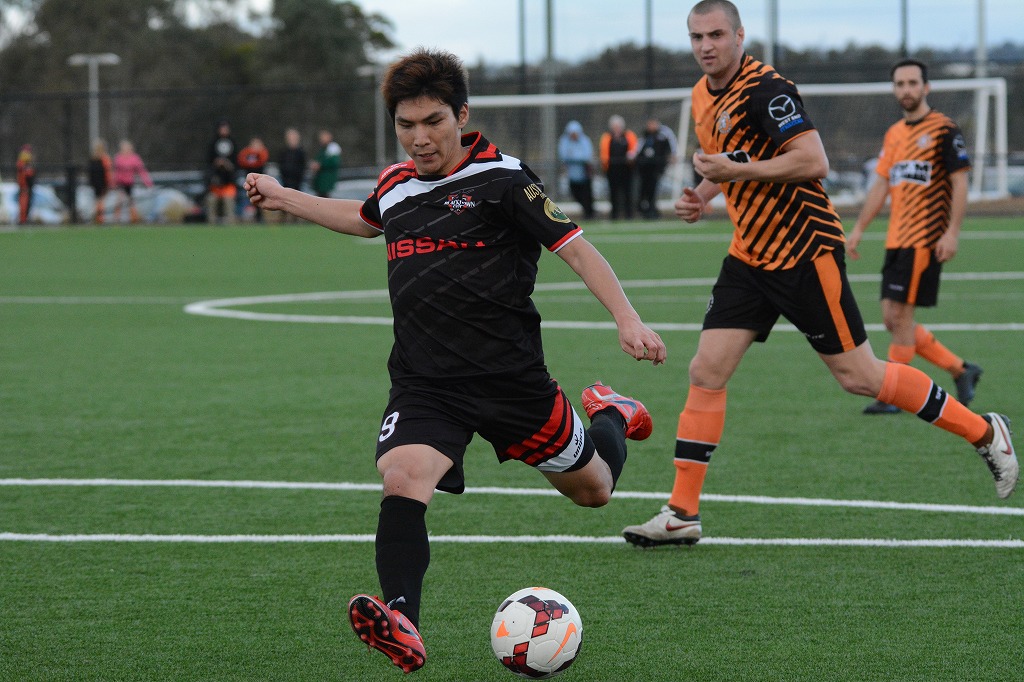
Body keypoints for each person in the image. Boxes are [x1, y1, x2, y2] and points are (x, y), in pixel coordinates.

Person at [244, 48, 666, 673]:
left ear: (462, 115)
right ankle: (404, 621)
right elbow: (364, 221)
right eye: (407, 125)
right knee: (402, 479)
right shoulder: (395, 185)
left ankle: (610, 413)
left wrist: (627, 317)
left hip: (510, 381)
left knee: (595, 491)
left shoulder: (504, 179)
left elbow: (576, 249)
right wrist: (284, 197)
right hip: (425, 382)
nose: (421, 138)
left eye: (434, 121)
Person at [622, 0, 1018, 549]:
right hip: (749, 257)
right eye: (696, 37)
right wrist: (703, 195)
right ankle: (681, 512)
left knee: (859, 375)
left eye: (716, 34)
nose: (706, 45)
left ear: (740, 35)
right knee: (706, 370)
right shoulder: (700, 94)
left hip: (805, 253)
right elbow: (724, 157)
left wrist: (735, 171)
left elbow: (813, 161)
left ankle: (984, 431)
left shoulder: (769, 90)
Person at [846, 58, 982, 415]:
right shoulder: (893, 134)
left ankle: (894, 394)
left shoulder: (944, 130)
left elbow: (960, 183)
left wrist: (952, 233)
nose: (906, 90)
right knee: (892, 319)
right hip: (896, 240)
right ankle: (961, 370)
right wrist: (859, 228)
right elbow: (880, 185)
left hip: (925, 239)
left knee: (901, 318)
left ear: (926, 87)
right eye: (900, 84)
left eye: (912, 83)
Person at [635, 117, 675, 219]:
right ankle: (644, 210)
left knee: (653, 190)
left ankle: (653, 211)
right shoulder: (644, 137)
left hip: (656, 169)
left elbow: (668, 151)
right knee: (643, 191)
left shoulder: (662, 137)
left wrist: (665, 163)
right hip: (644, 170)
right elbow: (637, 151)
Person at [600, 115, 637, 220]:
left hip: (627, 169)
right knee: (613, 193)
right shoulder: (607, 137)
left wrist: (631, 157)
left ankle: (629, 214)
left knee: (627, 192)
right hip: (612, 170)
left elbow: (634, 149)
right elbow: (604, 153)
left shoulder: (628, 135)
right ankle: (614, 215)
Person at [557, 120, 596, 219]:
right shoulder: (564, 141)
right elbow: (563, 156)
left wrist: (573, 157)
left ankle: (589, 213)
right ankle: (587, 211)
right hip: (572, 175)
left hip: (585, 174)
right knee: (575, 194)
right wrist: (577, 158)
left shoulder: (585, 140)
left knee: (587, 196)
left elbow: (587, 157)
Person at [112, 140, 153, 224]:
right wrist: (113, 183)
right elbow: (115, 172)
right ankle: (116, 218)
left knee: (130, 201)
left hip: (129, 183)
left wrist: (148, 183)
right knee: (119, 200)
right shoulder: (118, 158)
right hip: (120, 183)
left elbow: (141, 171)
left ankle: (134, 219)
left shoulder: (135, 158)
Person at [206, 119, 237, 224]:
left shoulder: (233, 143)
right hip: (216, 185)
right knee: (211, 200)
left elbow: (236, 165)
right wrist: (216, 164)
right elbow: (208, 164)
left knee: (228, 201)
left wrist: (228, 165)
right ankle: (211, 226)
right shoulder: (213, 144)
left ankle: (231, 224)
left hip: (229, 184)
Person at [236, 137, 270, 222]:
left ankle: (260, 217)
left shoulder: (262, 153)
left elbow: (261, 161)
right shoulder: (247, 153)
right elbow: (242, 160)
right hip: (248, 181)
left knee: (260, 198)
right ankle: (245, 217)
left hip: (260, 181)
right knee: (247, 198)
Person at [88, 139, 113, 224]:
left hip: (95, 183)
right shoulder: (105, 159)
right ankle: (99, 218)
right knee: (100, 201)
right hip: (102, 182)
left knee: (97, 200)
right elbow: (108, 172)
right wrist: (109, 183)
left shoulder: (93, 159)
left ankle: (98, 217)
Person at [310, 129, 341, 198]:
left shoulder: (333, 148)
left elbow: (334, 162)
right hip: (320, 183)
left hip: (327, 183)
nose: (321, 139)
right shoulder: (322, 149)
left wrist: (320, 165)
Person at [15, 144, 35, 225]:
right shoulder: (22, 164)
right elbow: (25, 175)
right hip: (24, 187)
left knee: (26, 204)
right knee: (24, 204)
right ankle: (23, 220)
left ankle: (24, 219)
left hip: (26, 187)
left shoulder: (26, 165)